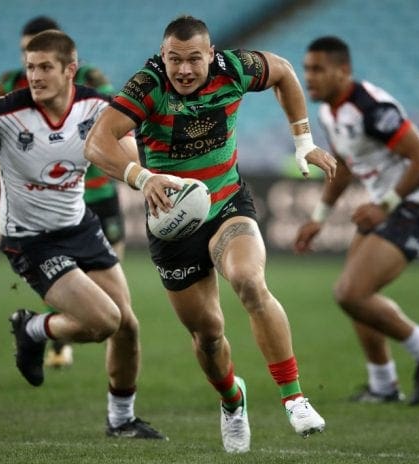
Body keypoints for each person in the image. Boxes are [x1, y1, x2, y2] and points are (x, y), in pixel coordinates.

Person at [85, 15, 337, 453]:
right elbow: (97, 142)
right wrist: (143, 178)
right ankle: (232, 401)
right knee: (208, 336)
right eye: (174, 59)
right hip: (173, 224)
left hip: (226, 204)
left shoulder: (235, 68)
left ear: (211, 54)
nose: (183, 70)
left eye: (193, 59)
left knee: (249, 281)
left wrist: (303, 142)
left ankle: (294, 398)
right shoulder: (147, 86)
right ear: (162, 56)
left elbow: (283, 72)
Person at [0, 30, 165, 439]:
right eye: (30, 68)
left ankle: (121, 420)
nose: (35, 76)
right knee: (106, 320)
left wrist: (147, 178)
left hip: (79, 226)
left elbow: (128, 151)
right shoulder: (2, 113)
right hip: (30, 240)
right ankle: (33, 329)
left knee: (128, 325)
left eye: (45, 67)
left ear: (70, 69)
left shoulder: (98, 108)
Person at [293, 36, 419, 406]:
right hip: (389, 206)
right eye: (306, 69)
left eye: (318, 69)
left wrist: (385, 204)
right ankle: (383, 386)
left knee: (351, 293)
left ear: (343, 71)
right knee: (355, 296)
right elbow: (344, 166)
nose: (309, 77)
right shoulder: (328, 112)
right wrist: (319, 217)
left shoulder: (371, 108)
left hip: (417, 207)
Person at [0, 15, 124, 368]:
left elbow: (114, 123)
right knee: (63, 277)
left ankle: (100, 346)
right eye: (25, 54)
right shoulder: (9, 86)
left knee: (115, 300)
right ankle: (56, 336)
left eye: (42, 59)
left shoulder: (91, 80)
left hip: (97, 191)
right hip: (46, 203)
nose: (29, 63)